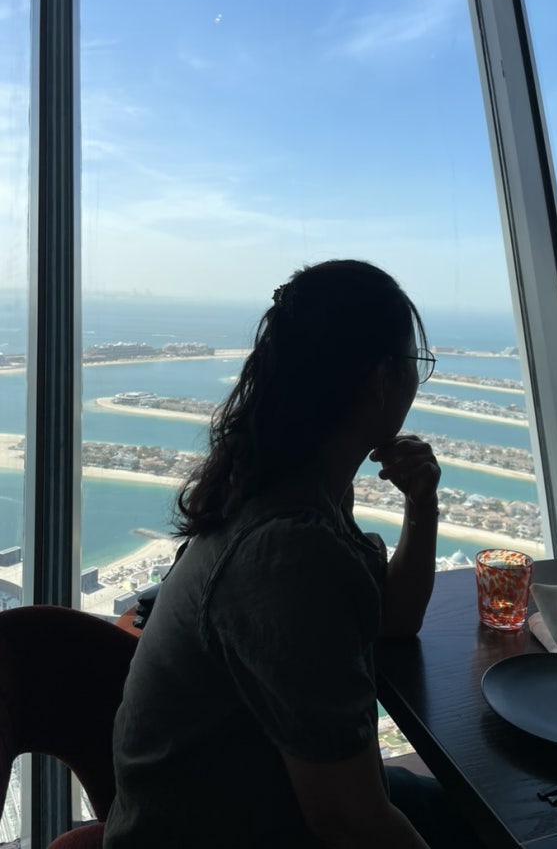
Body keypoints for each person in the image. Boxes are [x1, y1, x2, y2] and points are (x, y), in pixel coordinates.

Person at [104, 259, 483, 848]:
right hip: (229, 829)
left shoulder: (294, 482)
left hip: (258, 795)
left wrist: (422, 504)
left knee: (462, 814)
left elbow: (395, 619)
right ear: (383, 377)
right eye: (417, 362)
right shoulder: (289, 553)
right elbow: (349, 822)